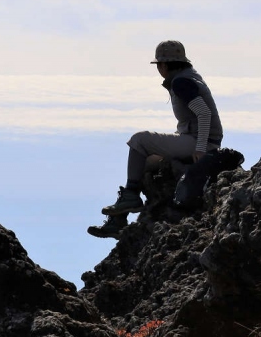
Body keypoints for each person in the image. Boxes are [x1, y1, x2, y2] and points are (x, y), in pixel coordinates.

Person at [88, 40, 224, 239]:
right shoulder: (188, 77)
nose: (158, 69)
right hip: (195, 138)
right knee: (143, 162)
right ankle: (118, 221)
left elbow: (203, 114)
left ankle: (131, 199)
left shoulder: (181, 82)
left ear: (165, 65)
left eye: (158, 65)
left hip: (199, 141)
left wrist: (201, 148)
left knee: (139, 140)